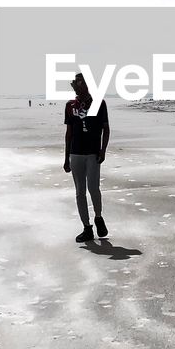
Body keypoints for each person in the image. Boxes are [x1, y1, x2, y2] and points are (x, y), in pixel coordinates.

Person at [63, 72, 109, 242]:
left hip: (92, 153)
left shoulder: (98, 103)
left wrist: (103, 150)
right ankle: (86, 228)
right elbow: (68, 134)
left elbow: (106, 128)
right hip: (75, 153)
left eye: (79, 82)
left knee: (94, 188)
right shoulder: (70, 105)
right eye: (75, 82)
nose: (76, 85)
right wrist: (66, 157)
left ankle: (98, 217)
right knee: (79, 192)